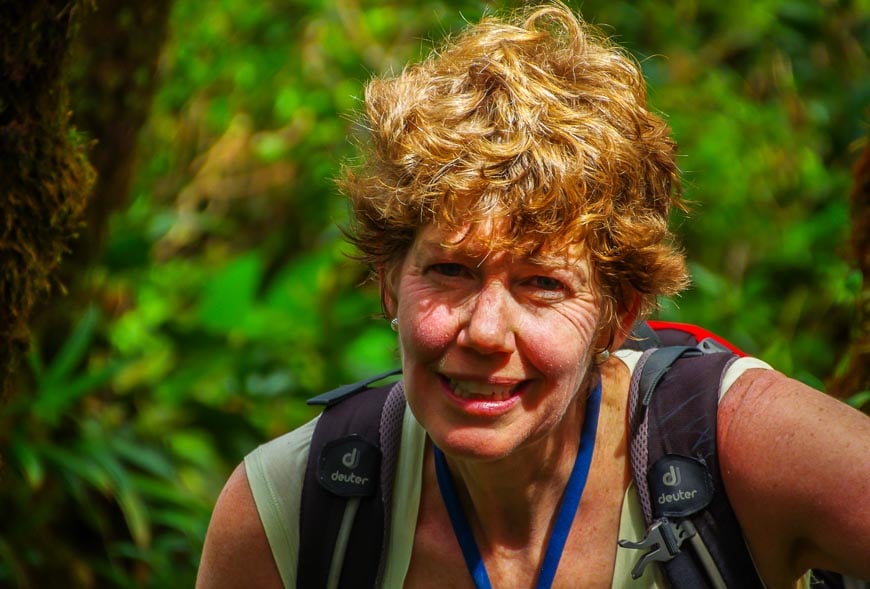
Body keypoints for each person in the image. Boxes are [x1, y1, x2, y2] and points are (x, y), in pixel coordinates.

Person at [196, 3, 870, 588]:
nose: (486, 331)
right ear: (386, 281)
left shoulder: (730, 449)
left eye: (543, 283)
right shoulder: (293, 511)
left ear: (619, 313)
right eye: (452, 271)